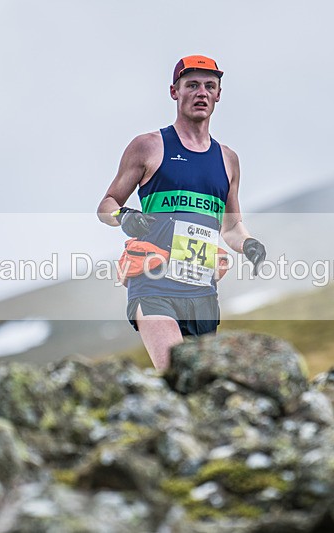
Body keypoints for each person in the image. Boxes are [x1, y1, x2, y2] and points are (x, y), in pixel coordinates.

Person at [97, 55, 266, 371]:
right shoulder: (148, 146)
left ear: (218, 95)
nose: (201, 92)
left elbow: (231, 226)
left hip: (202, 292)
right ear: (175, 92)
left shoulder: (228, 160)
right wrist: (125, 216)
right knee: (178, 376)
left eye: (209, 86)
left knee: (202, 388)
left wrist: (249, 244)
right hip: (153, 282)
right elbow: (106, 204)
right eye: (192, 85)